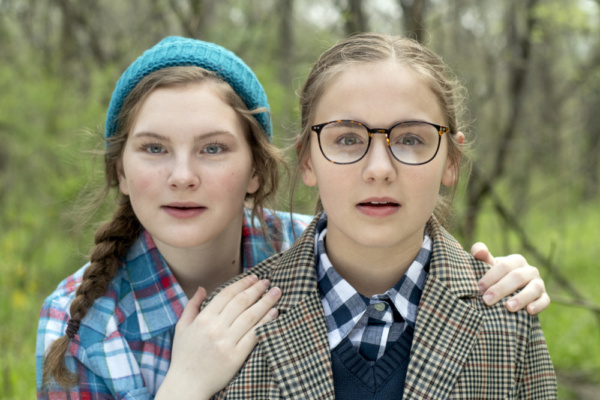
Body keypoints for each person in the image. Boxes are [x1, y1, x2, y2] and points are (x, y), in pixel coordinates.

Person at [36, 36, 551, 400]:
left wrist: (494, 277)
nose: (182, 176)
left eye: (214, 148)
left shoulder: (309, 244)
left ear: (257, 172)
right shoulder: (81, 324)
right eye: (153, 149)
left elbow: (388, 240)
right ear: (119, 170)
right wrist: (185, 387)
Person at [211, 33, 557, 399]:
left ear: (451, 162)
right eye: (347, 139)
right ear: (308, 161)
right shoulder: (230, 325)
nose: (379, 170)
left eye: (410, 139)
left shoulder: (509, 319)